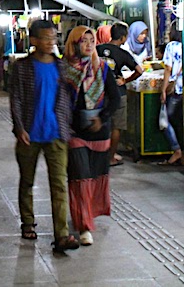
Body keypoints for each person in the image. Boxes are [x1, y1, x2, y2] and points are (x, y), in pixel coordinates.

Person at [9, 19, 81, 254]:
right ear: (34, 41)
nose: (52, 42)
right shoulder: (22, 67)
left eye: (54, 38)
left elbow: (70, 97)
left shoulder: (61, 67)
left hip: (57, 133)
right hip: (30, 133)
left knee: (59, 184)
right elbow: (16, 99)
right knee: (27, 181)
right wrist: (19, 128)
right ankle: (28, 222)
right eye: (47, 38)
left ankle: (61, 235)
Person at [61, 25, 119, 247]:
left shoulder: (102, 68)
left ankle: (88, 217)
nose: (88, 45)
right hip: (74, 132)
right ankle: (84, 226)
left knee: (94, 179)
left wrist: (101, 118)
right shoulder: (64, 70)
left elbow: (114, 99)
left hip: (99, 132)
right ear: (73, 44)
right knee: (80, 178)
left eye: (91, 41)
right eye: (83, 41)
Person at [96, 22, 144, 166]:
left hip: (98, 93)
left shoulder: (97, 49)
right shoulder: (123, 53)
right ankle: (110, 158)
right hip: (117, 92)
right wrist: (125, 80)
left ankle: (98, 155)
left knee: (100, 123)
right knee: (116, 127)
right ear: (123, 38)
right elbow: (140, 71)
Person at [157, 26, 184, 166]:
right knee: (182, 122)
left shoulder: (172, 46)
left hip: (176, 89)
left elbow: (168, 69)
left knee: (167, 121)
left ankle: (177, 149)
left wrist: (163, 89)